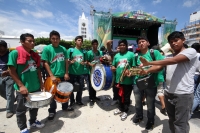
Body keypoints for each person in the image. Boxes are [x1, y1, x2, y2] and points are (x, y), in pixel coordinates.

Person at [140, 31, 200, 133]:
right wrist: (147, 70)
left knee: (181, 124)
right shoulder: (169, 56)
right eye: (171, 42)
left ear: (183, 40)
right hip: (169, 93)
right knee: (171, 120)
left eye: (176, 40)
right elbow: (160, 66)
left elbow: (175, 60)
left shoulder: (191, 52)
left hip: (183, 94)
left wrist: (148, 62)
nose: (173, 43)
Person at [8, 33, 45, 133]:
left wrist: (41, 83)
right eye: (30, 41)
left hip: (35, 86)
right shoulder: (15, 53)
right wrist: (21, 85)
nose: (32, 43)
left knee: (34, 106)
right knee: (21, 110)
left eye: (33, 41)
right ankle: (23, 128)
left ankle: (32, 121)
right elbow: (12, 71)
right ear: (22, 41)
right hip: (23, 88)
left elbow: (38, 70)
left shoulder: (34, 55)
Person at [132, 36, 164, 131]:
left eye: (143, 41)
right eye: (139, 42)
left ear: (148, 43)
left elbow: (160, 66)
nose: (141, 43)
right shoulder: (136, 55)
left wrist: (147, 70)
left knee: (150, 104)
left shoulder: (155, 53)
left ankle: (150, 120)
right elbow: (135, 69)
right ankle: (139, 116)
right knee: (138, 102)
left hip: (150, 83)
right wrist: (131, 72)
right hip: (137, 83)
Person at [41, 30, 73, 121]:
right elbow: (46, 63)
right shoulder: (47, 49)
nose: (55, 40)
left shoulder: (63, 49)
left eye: (57, 39)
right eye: (53, 39)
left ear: (59, 39)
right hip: (53, 77)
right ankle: (52, 111)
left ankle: (65, 107)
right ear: (50, 39)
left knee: (65, 92)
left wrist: (66, 73)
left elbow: (66, 62)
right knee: (52, 94)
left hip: (63, 76)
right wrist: (51, 75)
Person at [111, 39, 135, 121]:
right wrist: (112, 68)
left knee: (126, 96)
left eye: (123, 45)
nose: (122, 46)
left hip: (127, 80)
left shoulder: (131, 54)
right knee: (119, 96)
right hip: (118, 80)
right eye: (120, 45)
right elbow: (113, 66)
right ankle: (120, 108)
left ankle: (125, 110)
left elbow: (134, 67)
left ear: (126, 46)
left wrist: (129, 71)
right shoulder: (116, 56)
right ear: (118, 46)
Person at [67, 36, 86, 107]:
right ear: (75, 41)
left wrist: (84, 63)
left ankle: (79, 100)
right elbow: (67, 62)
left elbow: (86, 61)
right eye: (78, 40)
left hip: (81, 73)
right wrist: (70, 62)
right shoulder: (70, 50)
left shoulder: (84, 51)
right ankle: (72, 101)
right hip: (72, 73)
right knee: (71, 88)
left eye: (81, 40)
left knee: (80, 88)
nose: (80, 42)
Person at [0, 40, 15, 118]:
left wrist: (8, 71)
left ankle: (9, 110)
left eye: (0, 46)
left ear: (5, 47)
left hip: (9, 76)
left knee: (9, 93)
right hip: (0, 77)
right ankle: (12, 99)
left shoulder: (10, 55)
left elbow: (15, 66)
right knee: (2, 91)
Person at [86, 39, 102, 107]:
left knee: (95, 85)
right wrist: (91, 64)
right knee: (90, 86)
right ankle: (91, 99)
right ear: (92, 45)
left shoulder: (100, 52)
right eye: (94, 44)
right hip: (90, 72)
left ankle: (94, 97)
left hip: (97, 72)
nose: (95, 45)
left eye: (96, 44)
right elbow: (86, 62)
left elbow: (101, 60)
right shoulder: (89, 53)